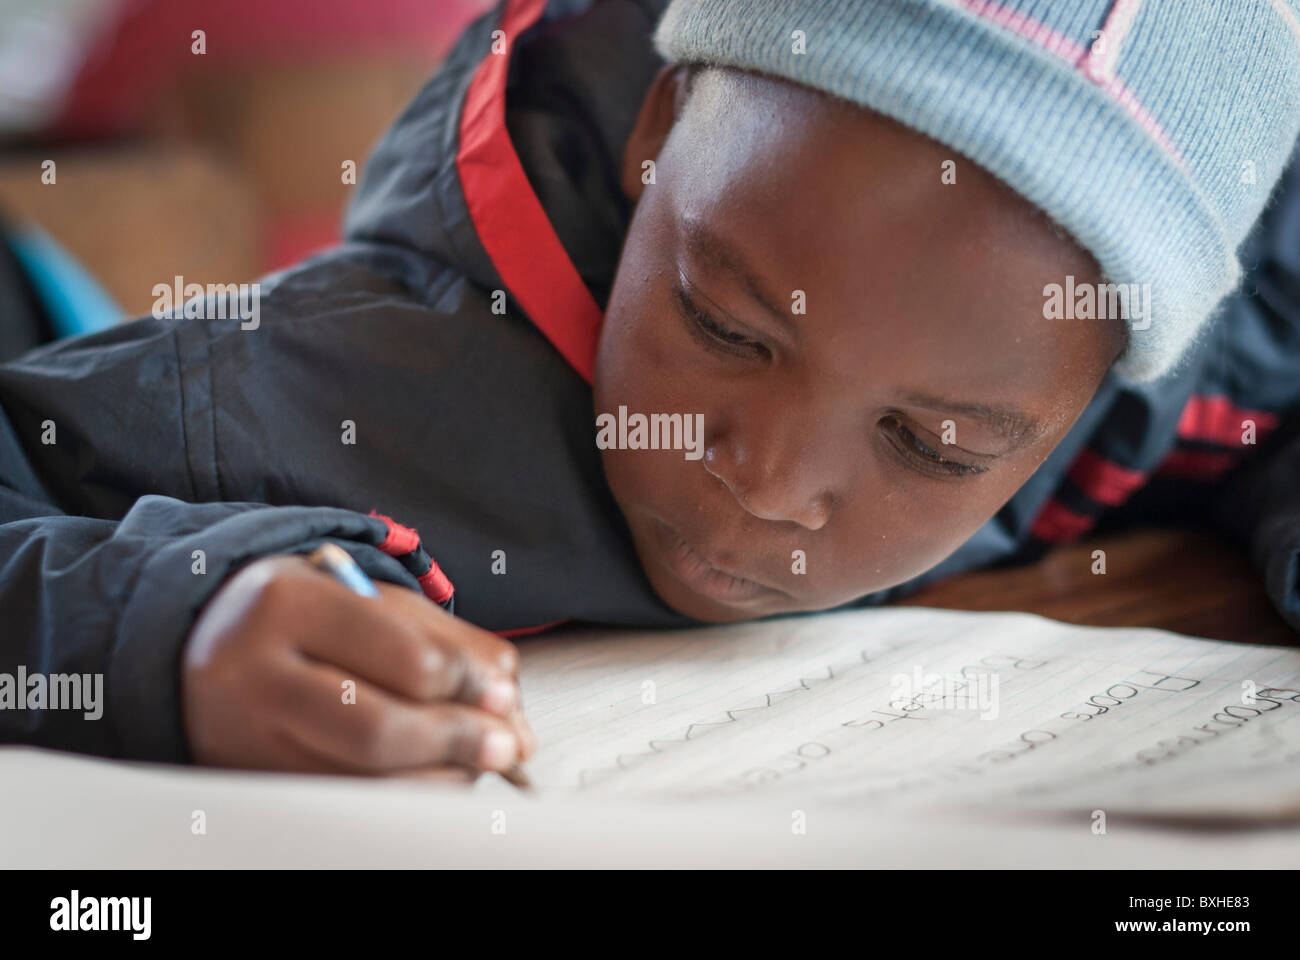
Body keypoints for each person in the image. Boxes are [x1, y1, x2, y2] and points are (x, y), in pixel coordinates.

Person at [1, 0, 1297, 779]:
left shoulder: (1175, 305)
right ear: (661, 130)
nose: (769, 482)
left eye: (934, 443)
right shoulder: (383, 393)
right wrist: (169, 624)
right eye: (727, 329)